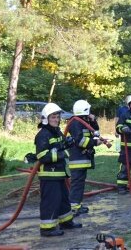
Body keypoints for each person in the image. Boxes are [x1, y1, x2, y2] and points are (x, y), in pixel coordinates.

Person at [34, 103, 81, 237]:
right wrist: (62, 154)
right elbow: (42, 156)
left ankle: (66, 222)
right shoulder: (43, 135)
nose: (56, 119)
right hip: (49, 174)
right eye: (53, 117)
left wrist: (68, 142)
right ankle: (47, 228)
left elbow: (61, 144)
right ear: (46, 119)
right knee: (51, 201)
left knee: (63, 199)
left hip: (59, 173)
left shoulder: (57, 131)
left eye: (57, 117)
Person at [67, 99, 110, 215]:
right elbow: (80, 141)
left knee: (80, 183)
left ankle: (77, 205)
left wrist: (93, 120)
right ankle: (73, 207)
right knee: (77, 184)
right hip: (78, 159)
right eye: (89, 111)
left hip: (83, 158)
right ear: (85, 110)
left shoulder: (83, 122)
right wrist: (95, 143)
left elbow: (94, 131)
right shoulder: (75, 123)